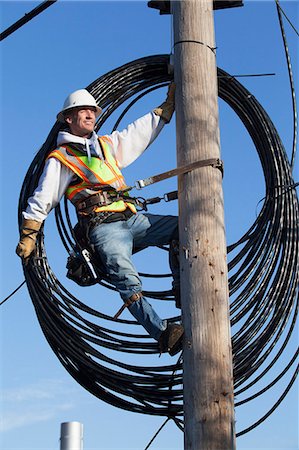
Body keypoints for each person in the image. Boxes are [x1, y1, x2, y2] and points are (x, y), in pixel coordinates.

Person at [16, 85, 184, 355]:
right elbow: (44, 194)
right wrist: (30, 232)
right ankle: (163, 333)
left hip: (130, 218)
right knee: (126, 280)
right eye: (82, 110)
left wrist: (163, 111)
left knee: (183, 229)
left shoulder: (106, 146)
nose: (89, 114)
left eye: (92, 110)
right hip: (104, 228)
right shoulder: (62, 158)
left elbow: (135, 135)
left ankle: (183, 294)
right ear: (68, 118)